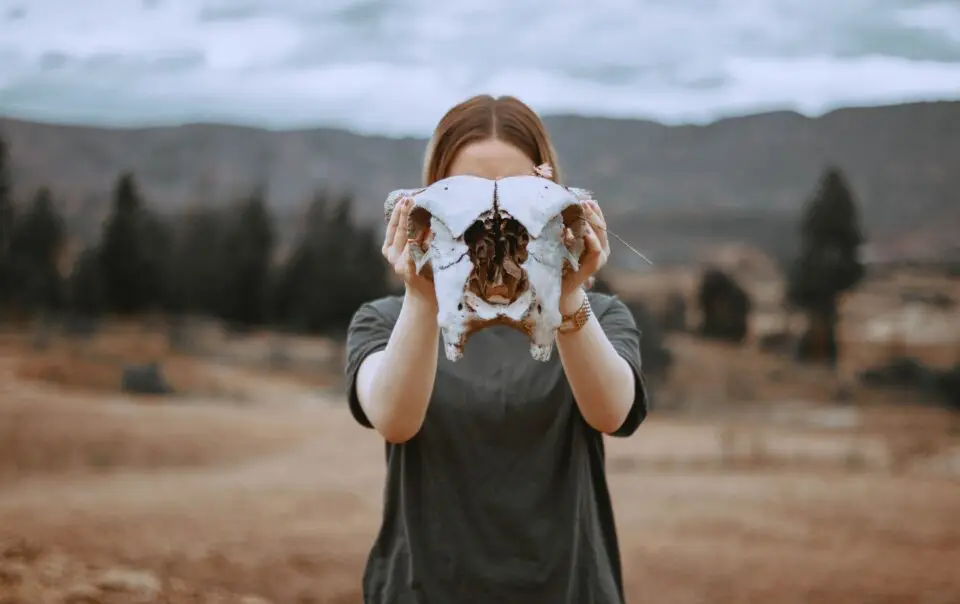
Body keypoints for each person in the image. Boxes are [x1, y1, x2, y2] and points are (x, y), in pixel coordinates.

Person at [345, 94, 648, 603]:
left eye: (515, 195)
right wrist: (423, 297)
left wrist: (566, 291)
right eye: (468, 196)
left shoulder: (596, 318)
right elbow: (396, 421)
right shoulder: (385, 322)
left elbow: (612, 413)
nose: (494, 218)